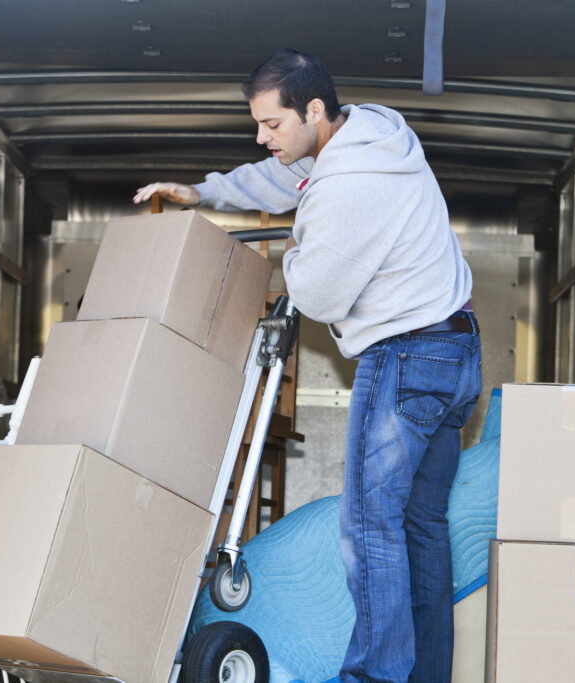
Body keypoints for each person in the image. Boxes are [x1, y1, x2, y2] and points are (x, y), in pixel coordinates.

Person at [133, 49, 481, 683]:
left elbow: (318, 297)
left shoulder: (348, 186)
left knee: (371, 529)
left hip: (405, 354)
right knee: (421, 529)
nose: (262, 137)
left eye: (272, 124)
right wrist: (204, 191)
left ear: (313, 110)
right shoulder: (374, 129)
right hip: (455, 351)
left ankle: (372, 678)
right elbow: (280, 176)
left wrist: (295, 248)